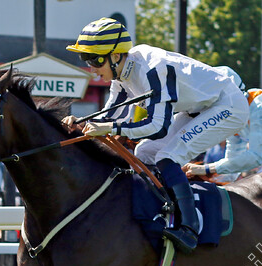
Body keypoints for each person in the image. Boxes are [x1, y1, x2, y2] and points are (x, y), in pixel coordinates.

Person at [62, 17, 249, 253]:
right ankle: (161, 207)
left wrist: (110, 129)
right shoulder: (120, 74)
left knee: (168, 156)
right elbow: (112, 114)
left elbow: (157, 126)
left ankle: (189, 229)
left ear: (116, 55)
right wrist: (80, 123)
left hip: (227, 106)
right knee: (145, 152)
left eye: (95, 59)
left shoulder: (154, 69)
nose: (91, 68)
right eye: (86, 59)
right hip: (198, 109)